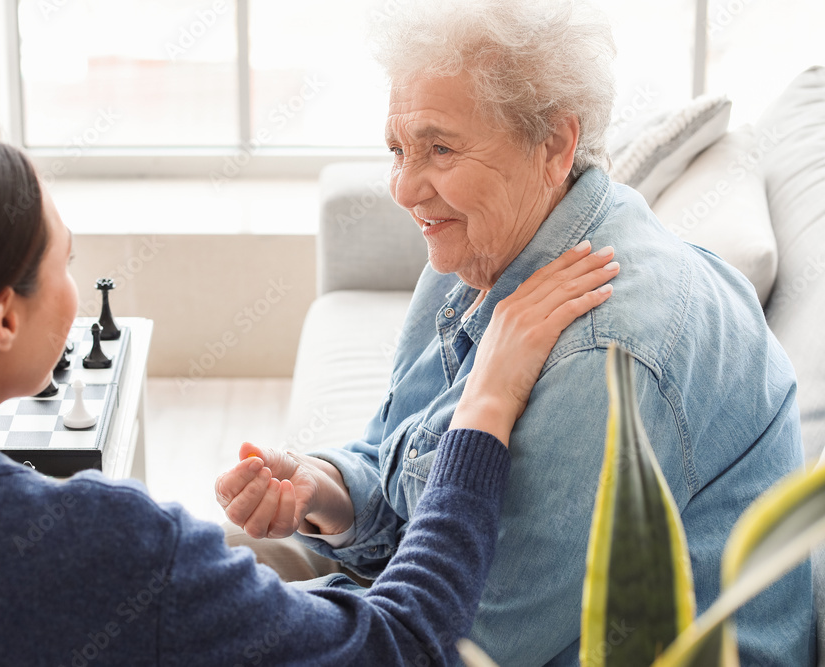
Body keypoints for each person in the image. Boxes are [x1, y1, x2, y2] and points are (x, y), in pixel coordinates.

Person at [0, 126, 617, 666]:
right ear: (2, 314)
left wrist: (329, 490)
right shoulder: (110, 544)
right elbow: (396, 645)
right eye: (65, 260)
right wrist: (484, 407)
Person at [215, 0, 814, 664]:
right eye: (397, 149)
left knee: (217, 616)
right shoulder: (479, 247)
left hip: (513, 640)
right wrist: (326, 489)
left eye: (439, 148)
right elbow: (404, 461)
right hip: (463, 611)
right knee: (219, 563)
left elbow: (457, 644)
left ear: (555, 143)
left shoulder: (603, 355)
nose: (405, 187)